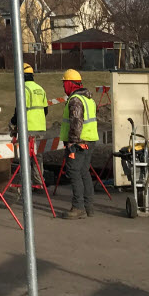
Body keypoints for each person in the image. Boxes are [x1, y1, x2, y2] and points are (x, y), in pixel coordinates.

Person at [60, 69, 99, 219]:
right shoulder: (89, 99)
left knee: (74, 172)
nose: (63, 87)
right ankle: (89, 207)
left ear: (70, 84)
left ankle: (78, 207)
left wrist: (71, 142)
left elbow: (76, 123)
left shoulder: (75, 100)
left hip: (79, 142)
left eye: (64, 83)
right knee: (84, 172)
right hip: (90, 140)